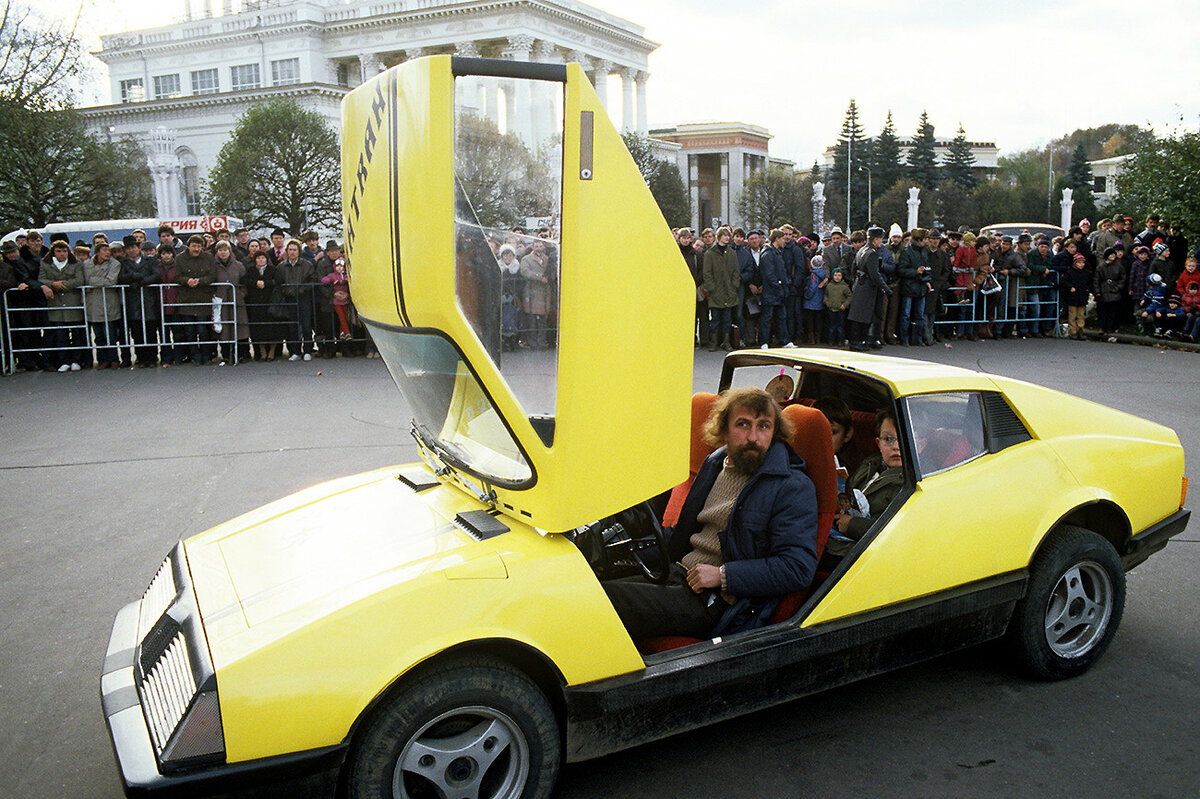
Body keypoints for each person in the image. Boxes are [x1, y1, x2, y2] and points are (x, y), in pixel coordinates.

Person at [602, 387, 819, 640]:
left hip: (721, 602)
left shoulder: (791, 486)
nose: (753, 437)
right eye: (743, 424)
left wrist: (723, 576)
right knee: (587, 585)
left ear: (775, 433)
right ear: (724, 430)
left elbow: (797, 567)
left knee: (602, 602)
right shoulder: (716, 462)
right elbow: (682, 536)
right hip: (680, 573)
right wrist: (617, 550)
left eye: (763, 427)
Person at [826, 408, 904, 560]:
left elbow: (896, 532)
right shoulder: (870, 464)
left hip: (862, 553)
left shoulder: (911, 482)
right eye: (888, 439)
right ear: (878, 443)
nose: (895, 447)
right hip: (838, 536)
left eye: (903, 438)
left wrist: (852, 525)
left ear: (919, 444)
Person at [39, 238, 85, 371]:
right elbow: (41, 278)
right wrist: (53, 284)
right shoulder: (45, 263)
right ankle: (64, 361)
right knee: (61, 335)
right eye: (59, 251)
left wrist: (63, 284)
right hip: (56, 303)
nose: (62, 254)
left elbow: (79, 279)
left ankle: (77, 360)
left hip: (72, 302)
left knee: (76, 334)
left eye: (64, 251)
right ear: (53, 252)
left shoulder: (75, 263)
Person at [174, 235, 217, 365]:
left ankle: (206, 355)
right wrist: (187, 281)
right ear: (189, 246)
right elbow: (177, 276)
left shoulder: (208, 257)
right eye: (194, 246)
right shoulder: (180, 258)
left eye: (199, 246)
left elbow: (212, 275)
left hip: (203, 298)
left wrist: (200, 281)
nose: (196, 249)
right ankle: (195, 356)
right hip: (187, 299)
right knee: (190, 331)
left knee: (203, 330)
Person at [82, 241, 124, 368]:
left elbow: (110, 281)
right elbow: (84, 280)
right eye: (104, 250)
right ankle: (102, 359)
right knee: (98, 335)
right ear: (97, 252)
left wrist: (92, 282)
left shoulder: (115, 263)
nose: (107, 253)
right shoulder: (86, 264)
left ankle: (114, 359)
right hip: (93, 304)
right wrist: (98, 281)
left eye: (108, 250)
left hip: (109, 303)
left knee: (110, 334)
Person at [847, 227, 888, 351]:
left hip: (860, 284)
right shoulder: (872, 253)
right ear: (876, 239)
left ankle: (858, 341)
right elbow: (875, 274)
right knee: (862, 316)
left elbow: (854, 268)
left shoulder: (862, 250)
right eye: (880, 239)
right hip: (867, 286)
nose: (881, 241)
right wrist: (886, 289)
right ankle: (856, 342)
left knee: (858, 315)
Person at [702, 226, 740, 351]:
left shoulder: (732, 253)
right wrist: (712, 288)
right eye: (725, 235)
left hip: (729, 291)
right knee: (715, 319)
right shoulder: (710, 254)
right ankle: (714, 342)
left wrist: (734, 285)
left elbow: (735, 271)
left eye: (728, 236)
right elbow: (707, 273)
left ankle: (726, 341)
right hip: (716, 292)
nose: (727, 238)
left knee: (727, 319)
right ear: (719, 237)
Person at [277, 239, 317, 360]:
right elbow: (279, 283)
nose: (292, 252)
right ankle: (295, 352)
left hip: (304, 298)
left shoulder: (307, 265)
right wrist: (287, 291)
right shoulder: (281, 266)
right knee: (293, 326)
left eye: (295, 250)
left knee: (306, 326)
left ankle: (308, 351)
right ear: (287, 251)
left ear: (299, 251)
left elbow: (313, 281)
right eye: (290, 250)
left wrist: (301, 290)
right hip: (289, 299)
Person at [241, 249, 283, 361]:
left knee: (273, 329)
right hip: (256, 303)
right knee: (258, 329)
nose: (260, 260)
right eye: (258, 258)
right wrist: (255, 283)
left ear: (266, 259)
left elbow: (279, 280)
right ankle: (262, 352)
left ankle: (272, 352)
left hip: (270, 302)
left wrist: (266, 283)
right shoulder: (251, 270)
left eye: (263, 258)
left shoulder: (272, 269)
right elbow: (244, 280)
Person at [212, 240, 248, 364]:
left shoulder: (238, 265)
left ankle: (241, 354)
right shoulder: (213, 265)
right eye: (220, 250)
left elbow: (245, 281)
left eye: (225, 250)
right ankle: (226, 354)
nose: (223, 252)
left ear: (229, 251)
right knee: (223, 328)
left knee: (240, 326)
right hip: (221, 300)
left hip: (236, 299)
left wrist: (241, 294)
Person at [1093, 246, 1126, 340]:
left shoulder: (1119, 267)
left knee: (1112, 311)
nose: (1113, 256)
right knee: (1102, 311)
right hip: (1103, 290)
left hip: (1114, 290)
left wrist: (1117, 288)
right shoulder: (1100, 266)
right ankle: (1102, 327)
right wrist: (1097, 291)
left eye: (1113, 254)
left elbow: (1122, 279)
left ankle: (1110, 327)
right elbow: (1096, 280)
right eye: (1111, 254)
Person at [1061, 253, 1091, 340]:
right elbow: (1064, 281)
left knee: (1081, 315)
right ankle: (1073, 331)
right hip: (1073, 297)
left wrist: (1087, 289)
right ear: (1075, 263)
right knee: (1072, 315)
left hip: (1082, 296)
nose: (1081, 265)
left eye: (1083, 263)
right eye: (1079, 263)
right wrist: (1070, 287)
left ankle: (1080, 330)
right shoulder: (1070, 273)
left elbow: (1090, 283)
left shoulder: (1086, 273)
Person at [823, 266, 852, 346]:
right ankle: (831, 340)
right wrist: (827, 303)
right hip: (831, 309)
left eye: (839, 275)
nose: (837, 277)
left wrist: (845, 305)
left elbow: (849, 296)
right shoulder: (829, 286)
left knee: (840, 327)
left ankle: (840, 341)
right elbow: (826, 295)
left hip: (840, 310)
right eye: (835, 275)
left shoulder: (845, 286)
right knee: (831, 326)